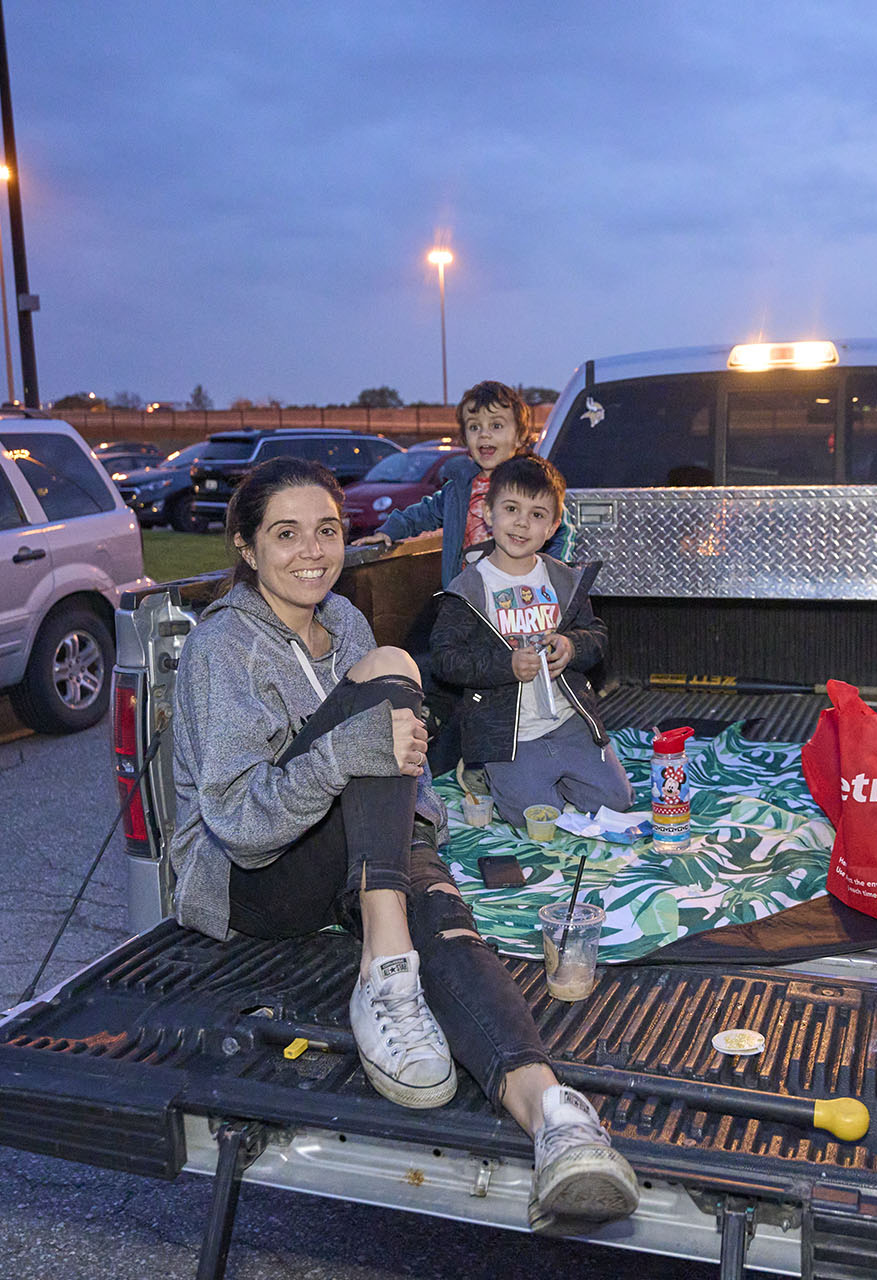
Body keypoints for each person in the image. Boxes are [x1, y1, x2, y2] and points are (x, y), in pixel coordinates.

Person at [167, 456, 638, 1233]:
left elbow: (383, 772)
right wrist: (353, 756)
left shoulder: (342, 622)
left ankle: (552, 1114)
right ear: (246, 548)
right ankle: (386, 974)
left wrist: (417, 824)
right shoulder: (228, 650)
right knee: (391, 675)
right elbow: (242, 827)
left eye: (326, 531)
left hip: (347, 860)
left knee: (444, 915)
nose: (313, 551)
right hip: (255, 878)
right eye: (286, 535)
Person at [429, 456, 633, 827]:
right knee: (533, 817)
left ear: (553, 526)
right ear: (488, 513)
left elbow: (597, 636)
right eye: (511, 509)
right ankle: (488, 771)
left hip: (569, 721)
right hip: (510, 734)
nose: (522, 522)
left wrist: (572, 646)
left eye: (537, 514)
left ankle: (557, 772)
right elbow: (445, 659)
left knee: (616, 803)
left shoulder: (564, 580)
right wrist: (505, 666)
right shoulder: (468, 589)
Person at [354, 380, 572, 579]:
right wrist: (388, 530)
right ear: (465, 438)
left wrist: (552, 574)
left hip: (518, 597)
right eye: (475, 427)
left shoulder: (533, 484)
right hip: (467, 596)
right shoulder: (458, 489)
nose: (484, 434)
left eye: (496, 426)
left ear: (519, 436)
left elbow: (561, 527)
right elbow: (421, 514)